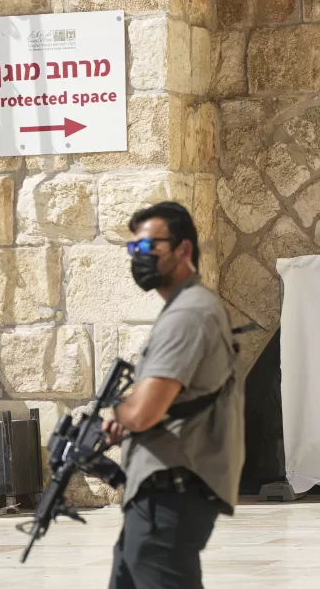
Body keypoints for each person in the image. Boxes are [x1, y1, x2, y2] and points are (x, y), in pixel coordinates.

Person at [101, 201, 244, 589]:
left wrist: (117, 411)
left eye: (148, 248)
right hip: (161, 493)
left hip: (171, 493)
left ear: (183, 249)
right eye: (133, 250)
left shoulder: (188, 314)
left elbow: (145, 411)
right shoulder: (184, 308)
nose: (138, 257)